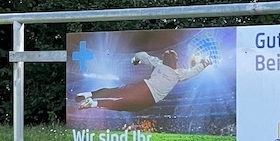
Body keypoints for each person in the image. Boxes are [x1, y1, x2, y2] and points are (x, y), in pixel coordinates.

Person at [75, 49, 211, 112]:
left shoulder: (158, 63)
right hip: (150, 98)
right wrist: (204, 63)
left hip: (142, 87)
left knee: (115, 91)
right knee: (120, 105)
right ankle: (93, 103)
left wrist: (135, 60)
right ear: (176, 61)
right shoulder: (178, 74)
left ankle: (88, 94)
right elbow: (194, 71)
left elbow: (142, 55)